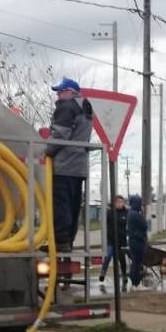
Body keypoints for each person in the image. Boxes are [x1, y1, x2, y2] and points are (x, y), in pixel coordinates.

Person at [45, 77, 94, 253]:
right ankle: (68, 241)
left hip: (64, 164)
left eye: (60, 91)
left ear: (71, 92)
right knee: (73, 206)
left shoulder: (67, 107)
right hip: (79, 166)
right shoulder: (85, 108)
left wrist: (45, 151)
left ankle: (60, 241)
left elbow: (59, 135)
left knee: (60, 203)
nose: (58, 96)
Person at [99, 195, 128, 292]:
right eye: (118, 202)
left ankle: (124, 275)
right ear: (114, 203)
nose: (120, 203)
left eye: (121, 202)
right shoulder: (110, 213)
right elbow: (105, 224)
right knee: (108, 256)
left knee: (122, 259)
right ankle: (103, 273)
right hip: (111, 240)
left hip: (122, 241)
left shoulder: (126, 213)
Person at [126, 195, 148, 291]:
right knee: (137, 263)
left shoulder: (130, 213)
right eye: (140, 203)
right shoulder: (135, 214)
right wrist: (142, 213)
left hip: (132, 241)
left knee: (135, 262)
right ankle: (136, 283)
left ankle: (133, 283)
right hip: (138, 241)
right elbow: (145, 226)